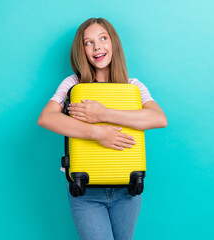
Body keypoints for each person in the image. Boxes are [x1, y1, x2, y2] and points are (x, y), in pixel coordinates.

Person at [37, 17, 167, 240]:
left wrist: (103, 114)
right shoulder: (72, 84)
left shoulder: (134, 86)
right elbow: (46, 118)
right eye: (88, 42)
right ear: (82, 50)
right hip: (86, 192)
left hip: (128, 190)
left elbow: (158, 118)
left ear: (113, 43)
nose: (97, 46)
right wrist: (99, 133)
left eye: (103, 38)